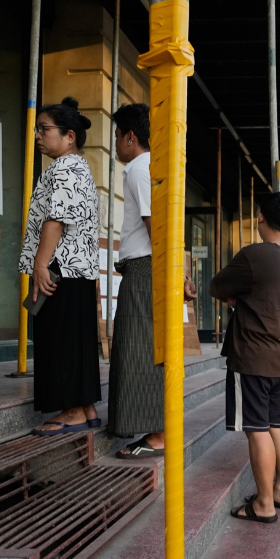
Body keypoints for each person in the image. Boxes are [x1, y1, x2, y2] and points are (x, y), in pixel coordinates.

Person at [211, 191, 280, 524]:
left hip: (251, 356)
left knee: (256, 429)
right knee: (276, 423)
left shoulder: (253, 255)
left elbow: (217, 287)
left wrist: (240, 300)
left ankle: (264, 503)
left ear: (261, 217)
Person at [19, 97, 100, 433]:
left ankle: (71, 412)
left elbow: (56, 218)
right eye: (37, 129)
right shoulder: (80, 168)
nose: (38, 135)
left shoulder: (65, 168)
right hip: (76, 271)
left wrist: (40, 264)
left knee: (60, 339)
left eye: (44, 129)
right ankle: (85, 407)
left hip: (59, 269)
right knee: (76, 340)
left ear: (69, 136)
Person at [104, 104, 165, 456]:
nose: (114, 142)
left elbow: (152, 224)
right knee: (139, 347)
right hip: (144, 267)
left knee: (137, 349)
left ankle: (156, 433)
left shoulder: (140, 169)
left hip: (145, 270)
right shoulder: (149, 169)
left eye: (116, 135)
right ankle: (155, 429)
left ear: (131, 137)